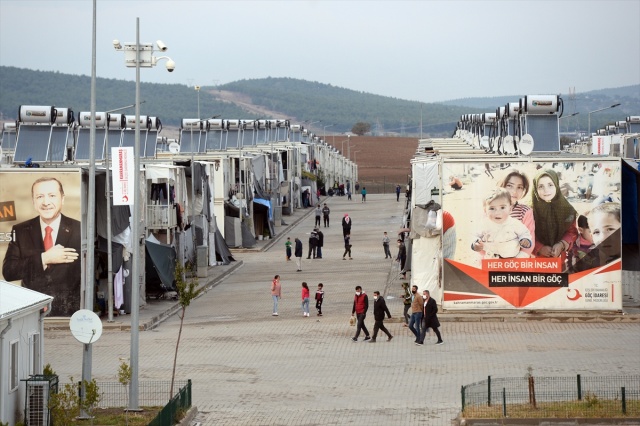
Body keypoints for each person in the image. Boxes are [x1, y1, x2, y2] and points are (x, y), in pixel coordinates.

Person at [2, 177, 81, 316]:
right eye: (39, 197)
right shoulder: (20, 230)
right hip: (31, 314)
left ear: (62, 199)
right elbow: (9, 272)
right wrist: (44, 258)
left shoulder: (80, 229)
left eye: (52, 196)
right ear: (33, 202)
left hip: (69, 314)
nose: (46, 202)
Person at [471, 188, 532, 259]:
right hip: (491, 258)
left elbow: (524, 232)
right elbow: (474, 234)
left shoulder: (514, 223)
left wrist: (525, 239)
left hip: (512, 257)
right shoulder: (484, 224)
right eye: (492, 208)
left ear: (510, 209)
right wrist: (475, 243)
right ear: (485, 210)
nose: (497, 212)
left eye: (502, 207)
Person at [531, 169, 578, 262]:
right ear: (535, 189)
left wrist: (562, 244)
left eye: (550, 185)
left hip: (561, 258)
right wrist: (539, 248)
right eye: (540, 186)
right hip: (535, 259)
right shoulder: (530, 210)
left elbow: (572, 232)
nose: (546, 190)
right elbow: (526, 234)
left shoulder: (566, 209)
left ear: (556, 185)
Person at [497, 169, 535, 256]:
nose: (514, 191)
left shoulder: (525, 211)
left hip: (517, 262)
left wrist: (517, 262)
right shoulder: (490, 208)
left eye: (519, 187)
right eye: (510, 186)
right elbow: (481, 236)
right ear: (502, 185)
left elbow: (529, 242)